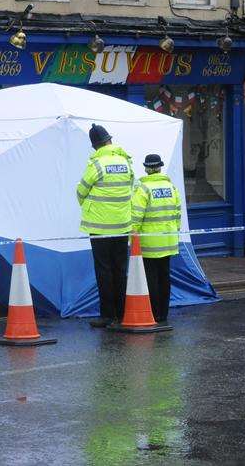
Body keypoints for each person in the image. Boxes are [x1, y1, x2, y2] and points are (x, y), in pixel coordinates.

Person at [77, 124, 135, 328]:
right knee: (120, 269)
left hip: (100, 227)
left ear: (95, 146)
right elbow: (131, 187)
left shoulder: (97, 164)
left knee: (104, 270)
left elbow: (81, 190)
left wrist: (90, 204)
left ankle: (107, 315)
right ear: (110, 140)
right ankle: (122, 312)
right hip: (122, 225)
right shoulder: (126, 161)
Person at [130, 154, 182, 324]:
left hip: (149, 243)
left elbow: (136, 216)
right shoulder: (171, 188)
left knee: (151, 278)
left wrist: (132, 238)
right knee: (164, 278)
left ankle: (153, 313)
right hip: (168, 242)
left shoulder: (143, 189)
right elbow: (177, 214)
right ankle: (163, 314)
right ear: (160, 167)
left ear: (146, 168)